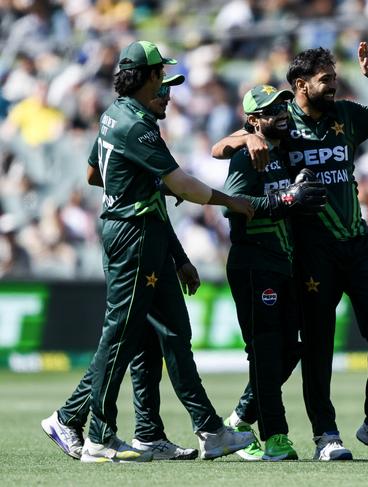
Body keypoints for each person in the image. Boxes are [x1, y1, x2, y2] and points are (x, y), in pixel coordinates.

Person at [43, 40, 255, 463]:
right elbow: (183, 187)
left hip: (147, 233)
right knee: (122, 333)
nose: (169, 91)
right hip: (132, 234)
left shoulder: (115, 116)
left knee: (171, 334)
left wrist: (175, 252)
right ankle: (85, 428)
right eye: (162, 78)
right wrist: (235, 202)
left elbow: (93, 174)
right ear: (147, 78)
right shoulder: (134, 127)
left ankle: (191, 431)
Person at [212, 43, 368, 460]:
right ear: (301, 85)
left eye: (335, 77)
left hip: (357, 243)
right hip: (310, 253)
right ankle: (326, 434)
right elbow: (222, 147)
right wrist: (247, 135)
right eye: (327, 79)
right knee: (317, 345)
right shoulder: (284, 126)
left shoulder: (347, 115)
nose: (334, 85)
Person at [223, 84, 327, 461]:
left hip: (280, 263)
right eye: (270, 111)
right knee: (266, 352)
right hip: (254, 262)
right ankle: (275, 438)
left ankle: (237, 420)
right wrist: (286, 200)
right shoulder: (248, 156)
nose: (281, 113)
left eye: (283, 105)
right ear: (253, 121)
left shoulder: (281, 153)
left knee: (289, 349)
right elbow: (233, 206)